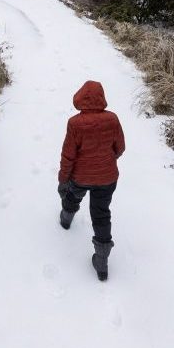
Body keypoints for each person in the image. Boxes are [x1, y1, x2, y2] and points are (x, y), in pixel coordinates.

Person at [57, 80, 126, 281]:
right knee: (101, 213)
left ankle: (66, 219)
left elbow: (68, 155)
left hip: (80, 177)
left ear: (80, 97)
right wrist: (107, 161)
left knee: (72, 196)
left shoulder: (75, 123)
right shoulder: (112, 119)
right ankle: (102, 260)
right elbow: (120, 147)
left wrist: (63, 177)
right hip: (108, 178)